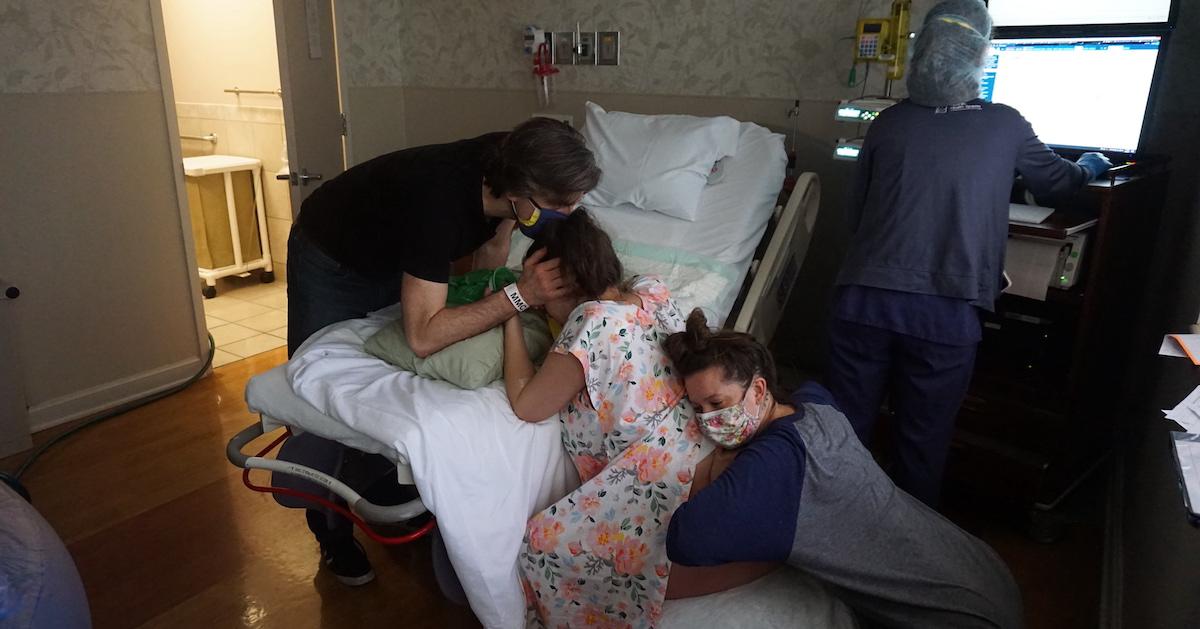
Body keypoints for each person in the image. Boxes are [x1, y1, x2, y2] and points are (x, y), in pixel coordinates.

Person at [279, 118, 601, 586]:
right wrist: (518, 298)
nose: (568, 213)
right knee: (317, 399)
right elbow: (424, 338)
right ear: (522, 193)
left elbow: (494, 247)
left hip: (391, 248)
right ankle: (330, 535)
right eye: (560, 204)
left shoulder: (514, 163)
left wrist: (490, 295)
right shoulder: (438, 203)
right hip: (330, 252)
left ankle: (384, 491)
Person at [825, 0, 1114, 507]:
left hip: (861, 300)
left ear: (922, 54)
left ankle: (837, 523)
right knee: (923, 438)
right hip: (943, 310)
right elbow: (1060, 184)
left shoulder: (888, 123)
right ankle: (910, 543)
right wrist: (1091, 162)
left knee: (846, 428)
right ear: (982, 56)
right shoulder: (1004, 124)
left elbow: (857, 215)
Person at [663, 311, 1024, 629]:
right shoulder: (817, 405)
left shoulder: (773, 467)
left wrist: (724, 463)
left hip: (960, 617)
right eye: (698, 408)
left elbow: (686, 539)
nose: (709, 420)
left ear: (758, 389)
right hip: (982, 568)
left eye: (717, 403)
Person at [500, 210, 768, 627]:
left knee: (544, 547)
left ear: (560, 280)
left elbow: (528, 405)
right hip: (700, 443)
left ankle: (747, 567)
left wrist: (511, 317)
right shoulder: (651, 291)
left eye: (541, 289)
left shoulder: (589, 322)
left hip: (659, 472)